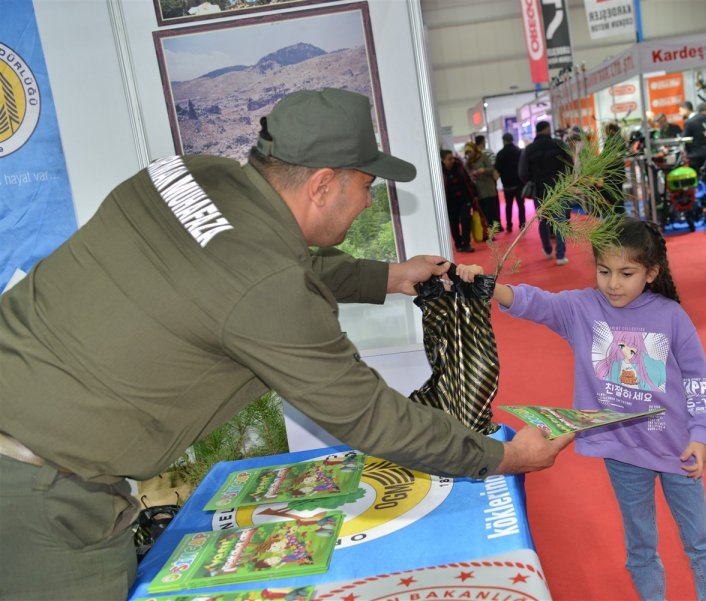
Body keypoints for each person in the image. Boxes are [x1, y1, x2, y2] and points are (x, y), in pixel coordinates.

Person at [0, 88, 573, 599]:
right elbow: (371, 418)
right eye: (365, 185)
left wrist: (388, 276)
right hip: (40, 491)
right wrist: (501, 457)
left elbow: (248, 268)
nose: (368, 201)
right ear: (323, 184)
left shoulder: (188, 174)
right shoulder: (266, 286)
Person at [456, 217, 706, 600]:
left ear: (651, 273)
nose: (613, 284)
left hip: (679, 450)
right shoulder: (582, 308)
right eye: (604, 271)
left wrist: (701, 436)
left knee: (701, 540)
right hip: (621, 451)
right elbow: (537, 303)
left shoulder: (671, 317)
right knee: (640, 546)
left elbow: (699, 381)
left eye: (626, 273)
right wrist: (492, 288)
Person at [518, 120, 573, 265]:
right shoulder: (559, 144)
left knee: (543, 220)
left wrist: (533, 180)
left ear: (537, 131)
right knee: (560, 221)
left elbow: (522, 173)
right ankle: (560, 255)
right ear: (548, 129)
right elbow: (570, 164)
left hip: (540, 190)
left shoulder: (528, 149)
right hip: (559, 188)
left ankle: (547, 249)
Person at [440, 149, 476, 252]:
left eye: (452, 158)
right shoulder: (439, 172)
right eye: (449, 159)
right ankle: (458, 244)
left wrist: (474, 195)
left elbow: (468, 181)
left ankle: (466, 243)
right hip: (450, 203)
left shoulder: (459, 167)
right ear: (443, 160)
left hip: (464, 200)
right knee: (453, 224)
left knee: (466, 221)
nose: (452, 160)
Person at [463, 141, 501, 234]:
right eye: (467, 153)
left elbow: (491, 169)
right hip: (478, 190)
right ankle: (488, 230)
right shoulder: (468, 163)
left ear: (474, 150)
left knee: (493, 209)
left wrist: (483, 170)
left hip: (489, 187)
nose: (469, 154)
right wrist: (471, 175)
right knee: (484, 212)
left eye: (470, 152)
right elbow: (467, 176)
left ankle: (495, 228)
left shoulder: (483, 156)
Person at [493, 132, 525, 232]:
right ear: (512, 140)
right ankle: (522, 225)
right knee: (521, 205)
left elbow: (497, 169)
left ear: (504, 141)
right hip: (519, 183)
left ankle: (509, 225)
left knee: (508, 205)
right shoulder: (519, 151)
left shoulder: (500, 154)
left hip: (507, 184)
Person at [682, 101, 706, 184]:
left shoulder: (689, 122)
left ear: (686, 109)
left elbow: (685, 138)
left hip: (694, 155)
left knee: (697, 180)